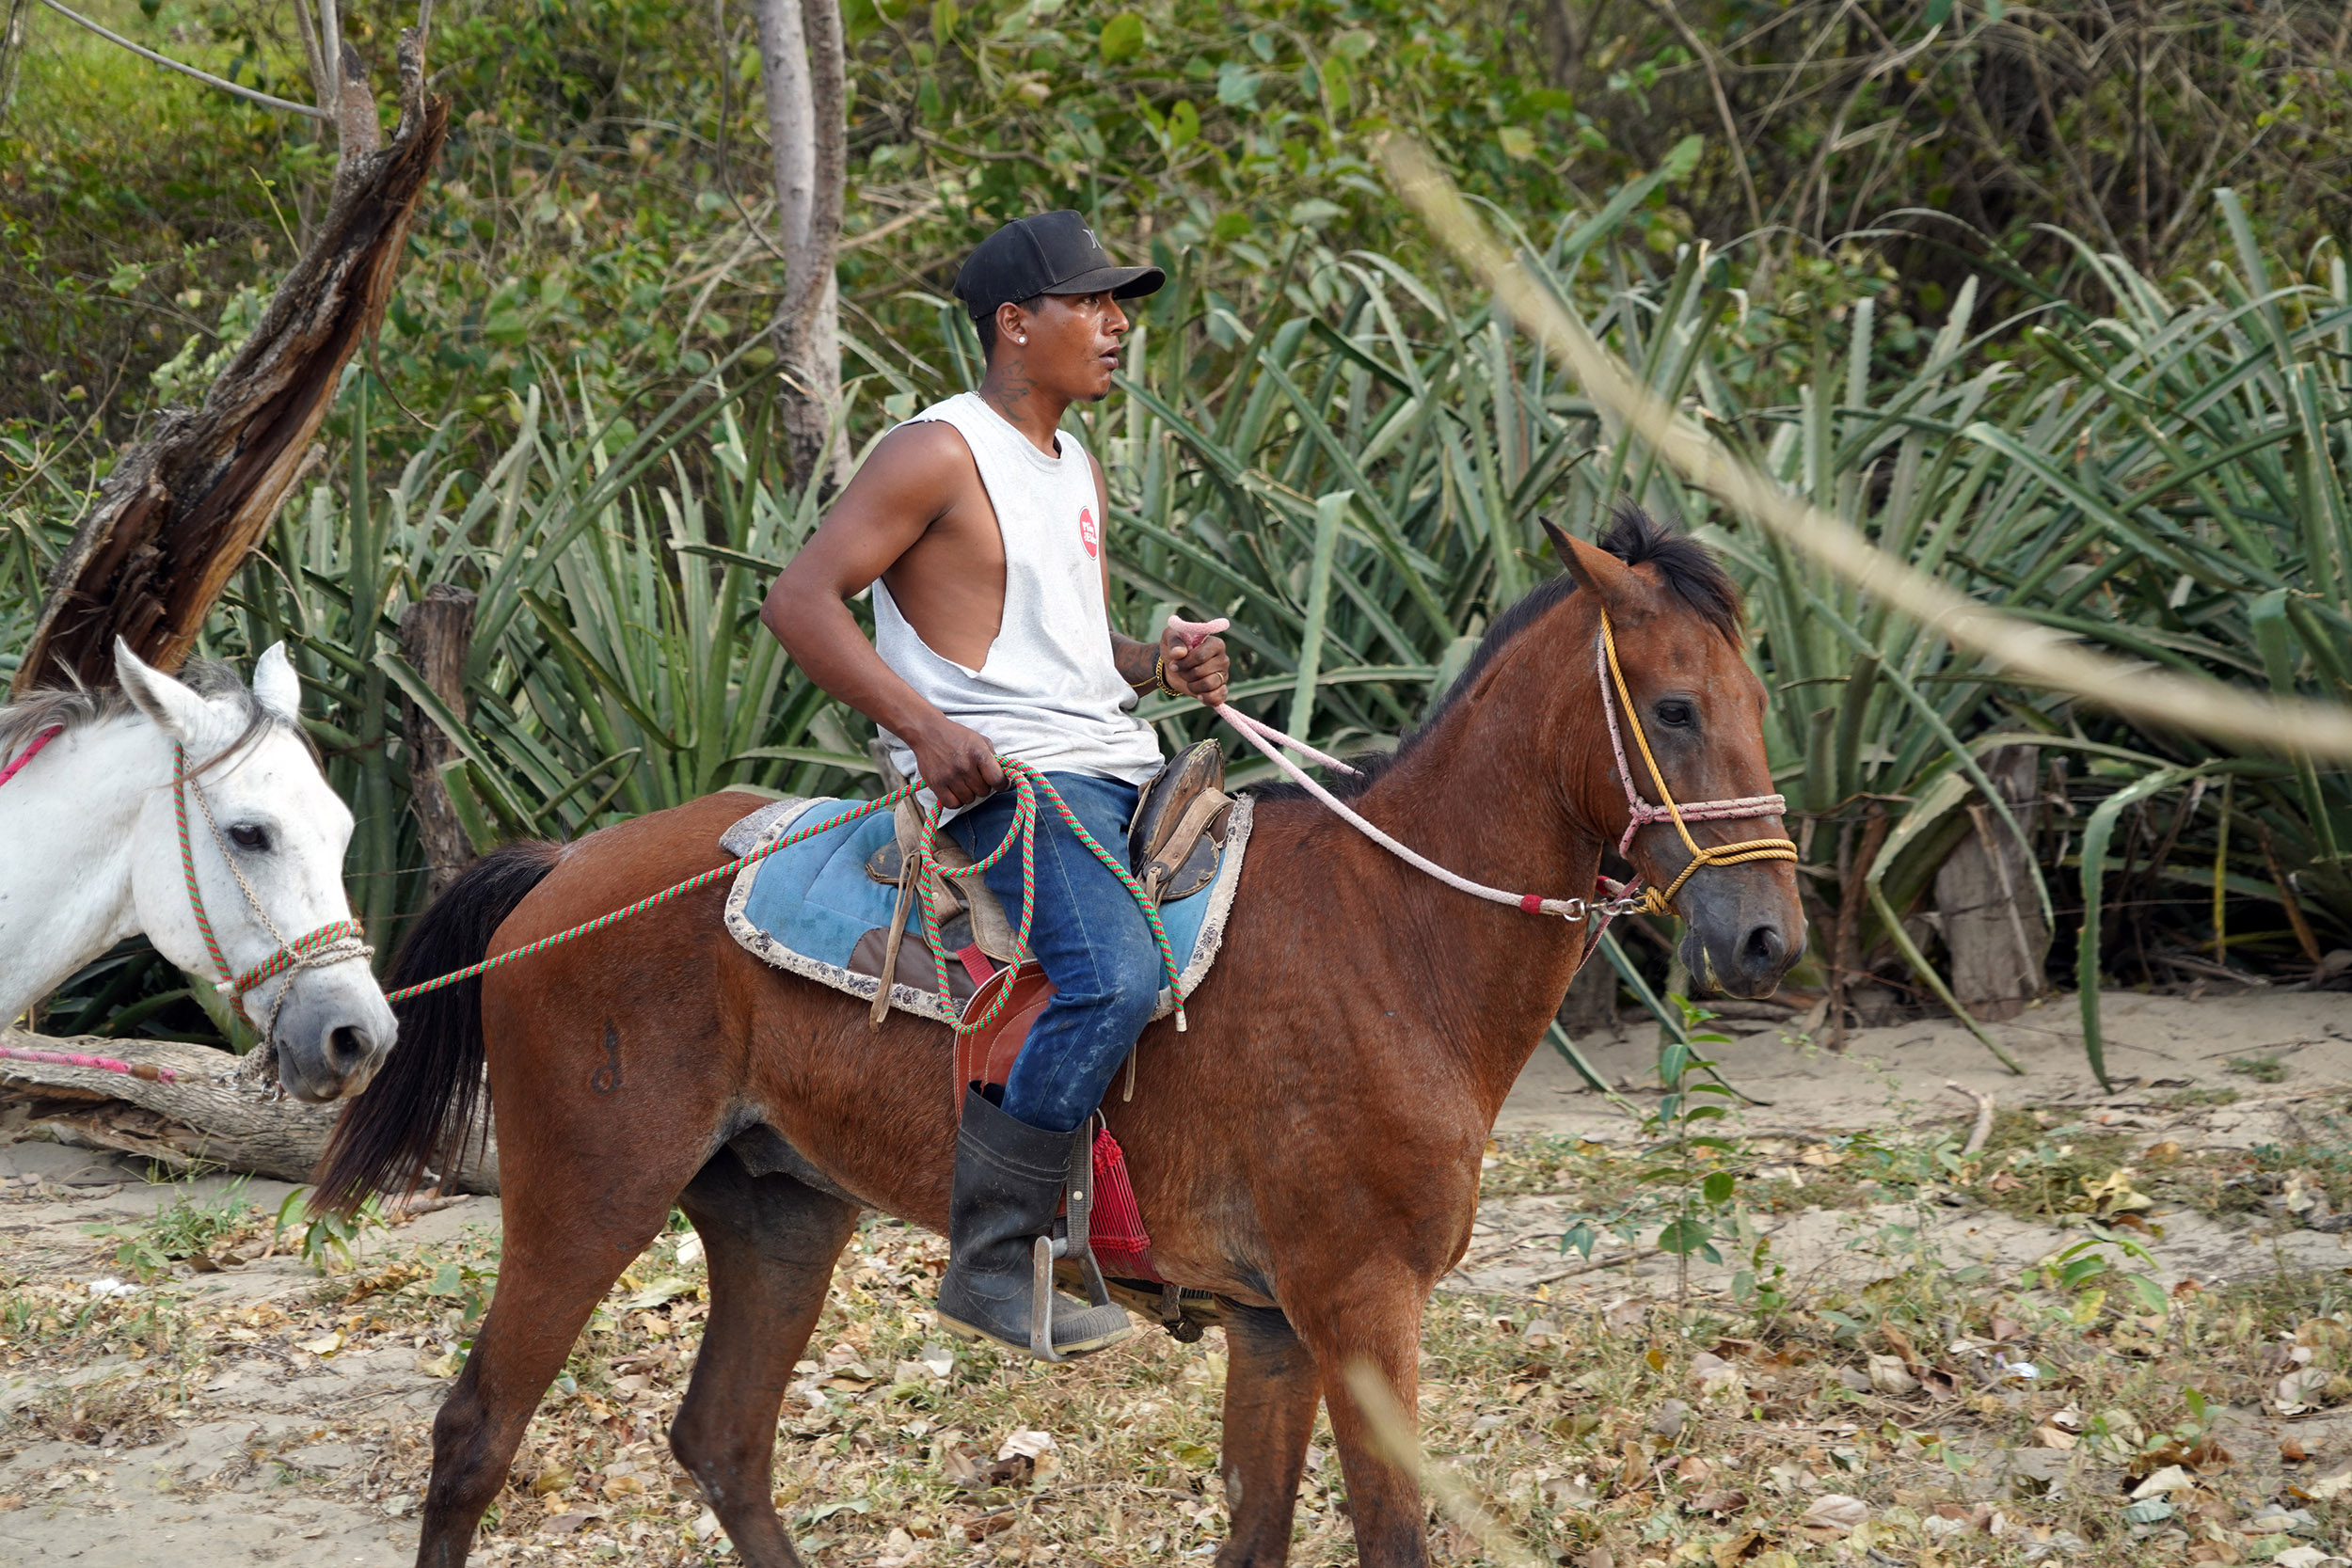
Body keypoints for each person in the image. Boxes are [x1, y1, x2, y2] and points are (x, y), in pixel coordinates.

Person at [761, 211, 1230, 1358]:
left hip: (1111, 758)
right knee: (1114, 976)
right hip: (1010, 782)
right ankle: (995, 1254)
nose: (1118, 326)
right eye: (1094, 304)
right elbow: (799, 599)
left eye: (1122, 306)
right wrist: (923, 727)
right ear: (1015, 325)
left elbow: (1064, 651)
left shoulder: (1073, 462)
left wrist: (1154, 661)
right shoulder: (935, 449)